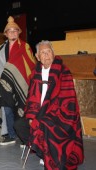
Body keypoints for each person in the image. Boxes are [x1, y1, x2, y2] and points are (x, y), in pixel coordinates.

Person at [15, 40, 84, 169]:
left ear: (53, 53)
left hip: (60, 115)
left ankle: (52, 157)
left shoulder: (63, 72)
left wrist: (43, 116)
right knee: (19, 125)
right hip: (38, 113)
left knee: (46, 124)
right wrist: (31, 116)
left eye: (49, 52)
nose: (46, 55)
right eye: (43, 52)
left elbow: (68, 101)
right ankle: (44, 153)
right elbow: (30, 99)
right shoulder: (35, 73)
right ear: (37, 57)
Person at [0, 16, 36, 144]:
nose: (12, 33)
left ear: (18, 32)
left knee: (22, 110)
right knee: (8, 110)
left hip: (22, 83)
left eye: (15, 30)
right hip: (6, 85)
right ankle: (11, 134)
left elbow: (31, 65)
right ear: (6, 34)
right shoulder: (1, 49)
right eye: (9, 31)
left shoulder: (25, 47)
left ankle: (24, 138)